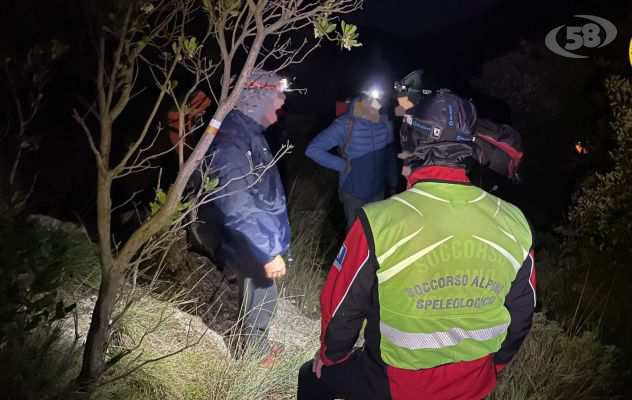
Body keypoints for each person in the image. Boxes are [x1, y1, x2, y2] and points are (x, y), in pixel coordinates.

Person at [297, 90, 535, 399]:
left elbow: (342, 308)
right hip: (474, 381)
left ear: (413, 140)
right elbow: (521, 315)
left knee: (310, 376)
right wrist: (495, 366)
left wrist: (331, 356)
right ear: (471, 147)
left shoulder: (378, 221)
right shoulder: (515, 221)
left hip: (395, 383)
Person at [192, 69, 290, 355]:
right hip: (246, 237)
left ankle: (256, 344)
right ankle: (253, 356)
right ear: (256, 100)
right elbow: (236, 204)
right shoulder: (231, 140)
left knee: (263, 293)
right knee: (260, 292)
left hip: (254, 234)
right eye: (276, 97)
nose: (281, 103)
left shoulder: (247, 132)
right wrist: (267, 250)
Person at [305, 93, 399, 230]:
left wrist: (393, 184)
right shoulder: (346, 123)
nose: (385, 102)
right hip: (353, 193)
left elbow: (389, 154)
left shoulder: (385, 122)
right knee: (355, 237)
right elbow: (313, 149)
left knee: (376, 234)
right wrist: (342, 165)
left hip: (378, 192)